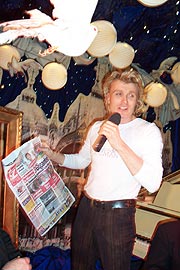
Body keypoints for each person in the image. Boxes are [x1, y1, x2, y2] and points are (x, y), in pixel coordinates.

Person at [40, 68, 163, 270]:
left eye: (131, 95)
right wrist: (54, 155)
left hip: (118, 215)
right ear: (107, 98)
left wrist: (119, 143)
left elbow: (152, 182)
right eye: (118, 94)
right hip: (87, 209)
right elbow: (81, 160)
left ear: (137, 101)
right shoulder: (97, 127)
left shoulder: (147, 132)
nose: (124, 101)